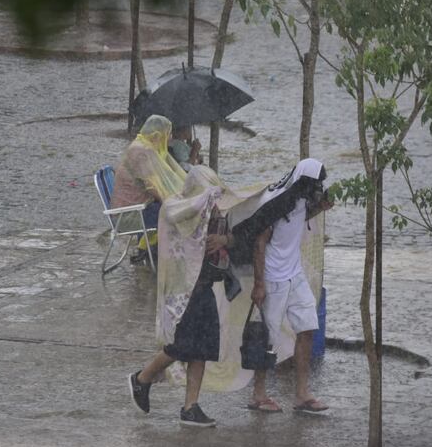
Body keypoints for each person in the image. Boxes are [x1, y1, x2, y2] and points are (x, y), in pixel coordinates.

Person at [128, 166, 236, 428]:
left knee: (204, 348)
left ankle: (191, 407)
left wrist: (222, 239)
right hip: (184, 292)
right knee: (182, 346)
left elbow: (232, 239)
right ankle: (142, 378)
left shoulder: (215, 211)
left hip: (206, 284)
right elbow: (185, 232)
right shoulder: (176, 209)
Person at [230, 158, 333, 414]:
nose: (317, 188)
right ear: (304, 181)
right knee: (268, 337)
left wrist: (320, 208)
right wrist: (259, 283)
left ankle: (301, 394)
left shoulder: (299, 197)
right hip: (274, 276)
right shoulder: (275, 201)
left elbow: (298, 218)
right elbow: (259, 242)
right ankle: (258, 394)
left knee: (308, 327)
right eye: (315, 184)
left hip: (295, 273)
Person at [110, 115, 187, 262]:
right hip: (129, 216)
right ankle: (167, 258)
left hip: (135, 208)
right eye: (167, 134)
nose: (169, 139)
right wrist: (170, 203)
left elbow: (155, 183)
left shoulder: (142, 146)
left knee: (171, 208)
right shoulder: (141, 152)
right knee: (176, 214)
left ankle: (150, 250)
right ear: (157, 134)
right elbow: (152, 188)